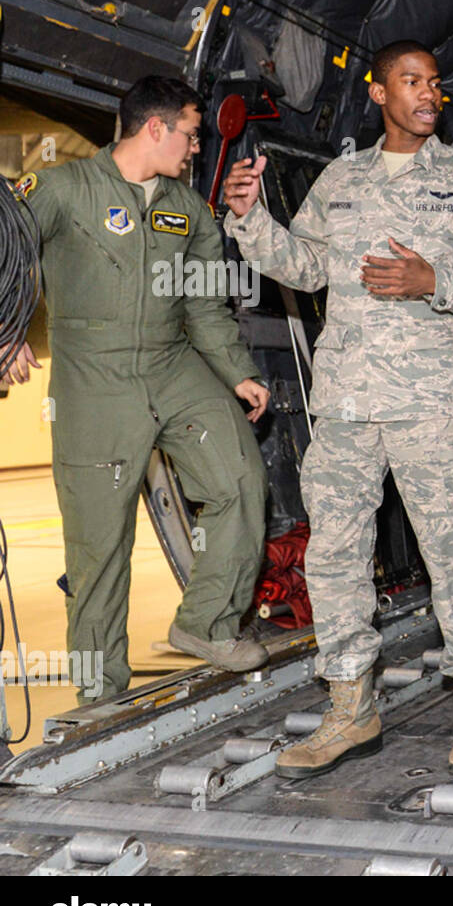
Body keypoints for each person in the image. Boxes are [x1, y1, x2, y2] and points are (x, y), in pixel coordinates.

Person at [222, 40, 453, 776]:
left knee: (449, 549)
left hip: (426, 405)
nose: (428, 94)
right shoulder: (341, 177)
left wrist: (433, 278)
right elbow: (308, 266)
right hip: (347, 402)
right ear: (380, 93)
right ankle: (351, 708)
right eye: (412, 82)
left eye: (435, 82)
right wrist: (253, 220)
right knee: (334, 557)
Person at [6, 75, 270, 701]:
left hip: (174, 363)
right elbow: (5, 250)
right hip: (94, 378)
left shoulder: (189, 210)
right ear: (155, 128)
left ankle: (205, 622)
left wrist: (237, 370)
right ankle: (99, 694)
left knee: (240, 480)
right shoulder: (61, 189)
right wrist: (7, 326)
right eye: (192, 133)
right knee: (100, 547)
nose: (197, 147)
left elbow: (206, 304)